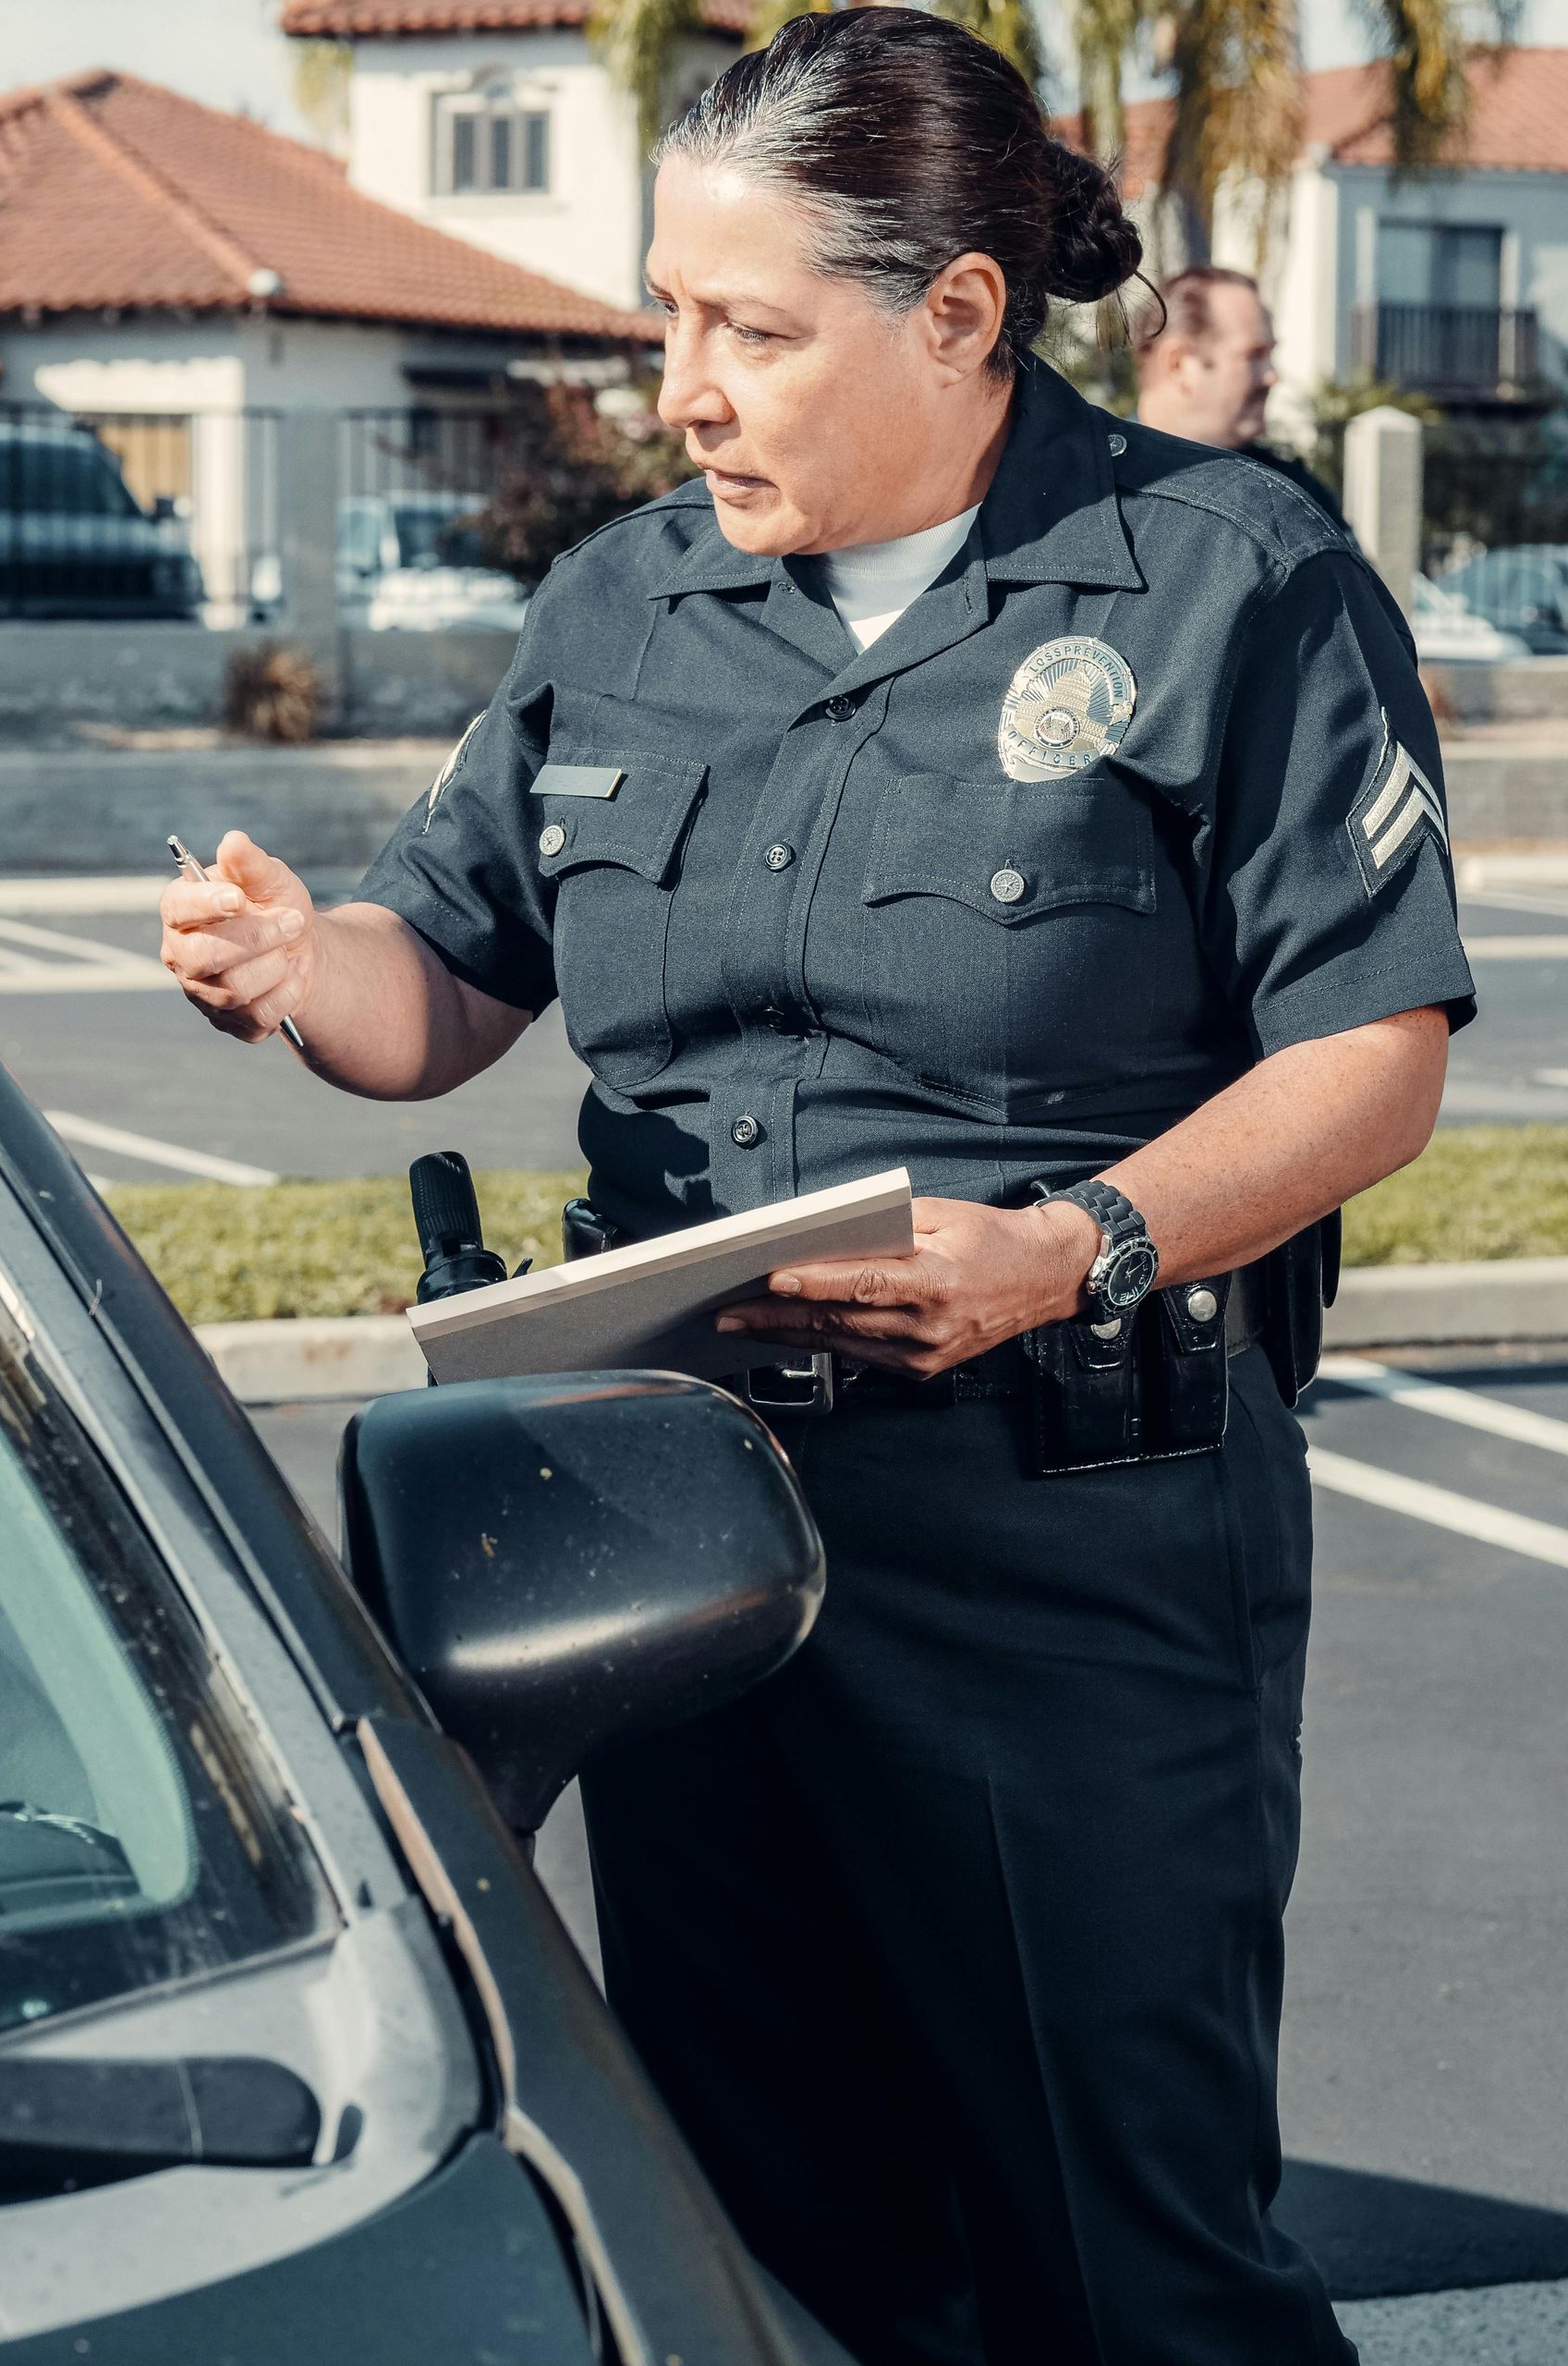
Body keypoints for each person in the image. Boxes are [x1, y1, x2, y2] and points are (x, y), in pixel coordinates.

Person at [158, 14, 1473, 2360]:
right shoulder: (623, 608)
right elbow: (440, 988)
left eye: (748, 329)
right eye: (671, 312)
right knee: (768, 2234)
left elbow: (1371, 1053)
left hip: (1061, 1537)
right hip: (677, 1546)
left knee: (1129, 2251)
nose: (683, 382)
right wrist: (290, 961)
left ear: (955, 315)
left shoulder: (1220, 579)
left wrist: (1070, 1244)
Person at [1135, 261, 1350, 528]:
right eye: (1254, 356)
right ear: (1179, 365)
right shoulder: (1096, 485)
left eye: (1269, 355)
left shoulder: (1292, 493)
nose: (1272, 376)